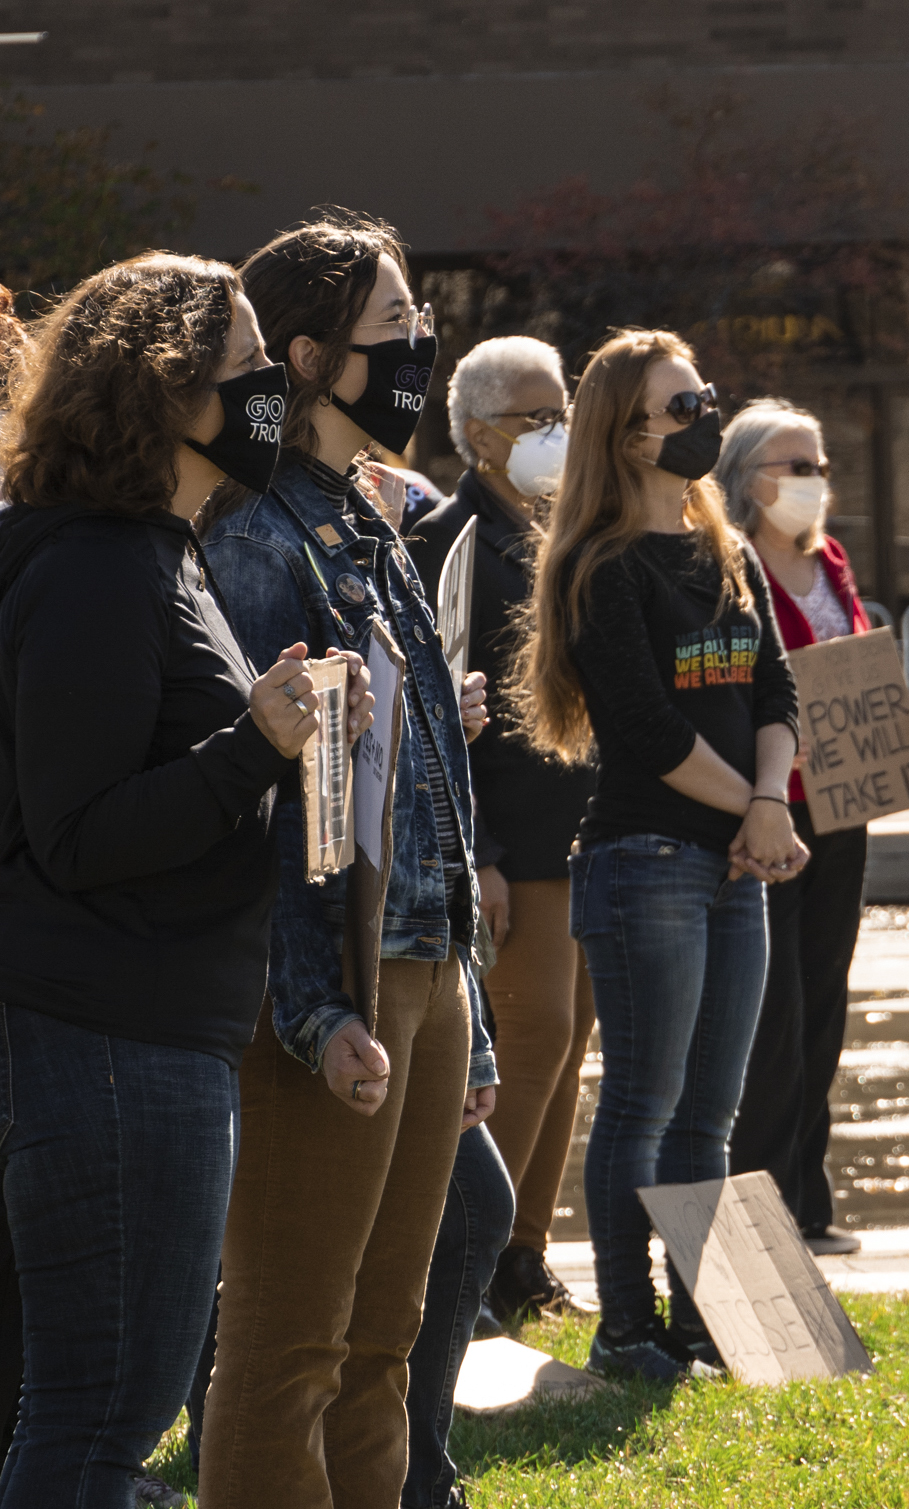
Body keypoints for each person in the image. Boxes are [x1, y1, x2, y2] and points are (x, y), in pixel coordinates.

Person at [0, 253, 367, 1506]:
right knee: (102, 1422)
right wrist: (254, 744)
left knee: (103, 1418)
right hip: (108, 1040)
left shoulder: (163, 554)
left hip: (155, 1033)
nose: (275, 384)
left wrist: (296, 733)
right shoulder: (100, 566)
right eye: (249, 364)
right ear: (171, 393)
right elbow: (81, 832)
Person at [197, 212, 496, 1509]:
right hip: (336, 979)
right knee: (290, 1345)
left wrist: (467, 1012)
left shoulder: (370, 527)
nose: (421, 354)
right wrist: (315, 1007)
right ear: (308, 356)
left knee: (387, 1338)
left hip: (424, 961)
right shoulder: (261, 539)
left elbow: (413, 780)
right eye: (395, 332)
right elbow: (283, 805)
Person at [519, 330, 806, 1381]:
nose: (704, 422)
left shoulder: (721, 548)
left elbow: (773, 692)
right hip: (647, 861)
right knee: (641, 1102)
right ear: (627, 435)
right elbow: (645, 730)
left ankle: (703, 1323)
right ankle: (626, 1326)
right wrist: (757, 816)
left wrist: (767, 803)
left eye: (705, 400)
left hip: (734, 858)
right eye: (682, 408)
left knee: (708, 1115)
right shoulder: (602, 567)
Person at [410, 335, 598, 1326]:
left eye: (560, 410)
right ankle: (475, 1262)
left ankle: (525, 1253)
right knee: (529, 1039)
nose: (554, 431)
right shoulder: (454, 536)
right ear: (478, 433)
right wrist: (471, 847)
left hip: (576, 826)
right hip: (508, 839)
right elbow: (447, 705)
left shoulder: (563, 529)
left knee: (566, 1051)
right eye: (533, 416)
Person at [717, 398, 909, 1256]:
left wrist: (894, 716)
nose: (812, 481)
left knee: (824, 999)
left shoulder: (830, 560)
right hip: (771, 804)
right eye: (792, 466)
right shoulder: (729, 568)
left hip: (843, 800)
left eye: (818, 466)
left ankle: (808, 1195)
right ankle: (767, 1200)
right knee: (775, 1011)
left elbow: (847, 664)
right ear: (742, 478)